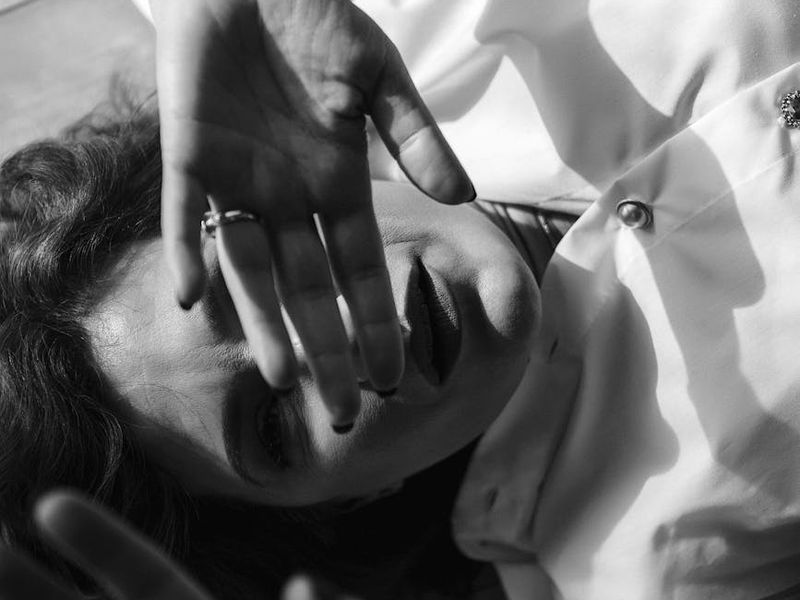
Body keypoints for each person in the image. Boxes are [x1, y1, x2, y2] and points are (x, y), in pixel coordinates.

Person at [5, 0, 800, 599]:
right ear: (350, 498)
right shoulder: (642, 569)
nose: (343, 335)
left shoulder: (309, 24)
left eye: (252, 287)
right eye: (275, 428)